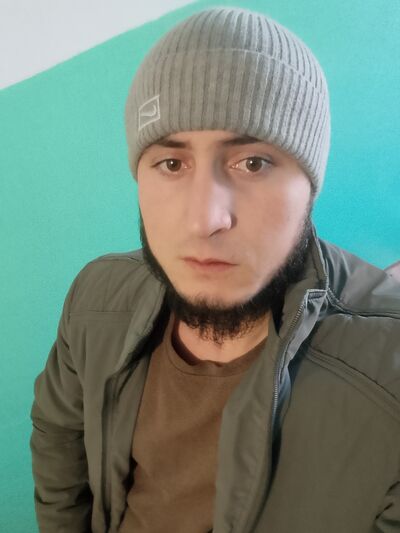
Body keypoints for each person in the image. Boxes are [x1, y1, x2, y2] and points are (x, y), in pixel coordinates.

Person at [29, 6, 400, 533]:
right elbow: (58, 438)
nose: (205, 219)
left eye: (253, 163)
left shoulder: (389, 372)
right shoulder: (95, 300)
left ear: (309, 187)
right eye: (171, 164)